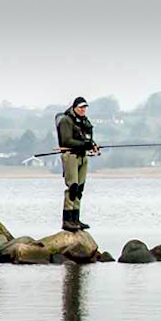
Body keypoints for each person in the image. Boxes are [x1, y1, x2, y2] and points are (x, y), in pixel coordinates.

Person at [55, 97, 100, 231]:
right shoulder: (66, 120)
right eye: (80, 107)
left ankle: (76, 219)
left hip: (82, 156)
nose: (83, 110)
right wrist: (85, 144)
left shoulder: (84, 121)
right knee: (73, 187)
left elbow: (88, 139)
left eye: (84, 107)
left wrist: (91, 145)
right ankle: (67, 220)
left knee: (80, 188)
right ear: (74, 107)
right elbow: (67, 141)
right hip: (71, 156)